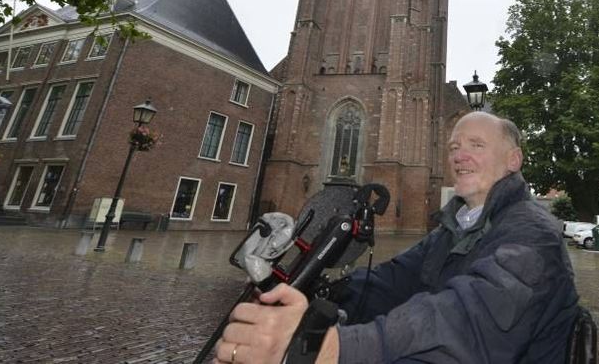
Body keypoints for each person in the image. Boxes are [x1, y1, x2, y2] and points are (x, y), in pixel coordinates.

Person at [212, 111, 579, 364]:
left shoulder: (533, 236)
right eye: (453, 147)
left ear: (513, 160)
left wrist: (333, 348)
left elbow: (465, 321)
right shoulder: (456, 227)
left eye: (476, 145)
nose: (459, 156)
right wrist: (309, 291)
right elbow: (389, 282)